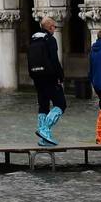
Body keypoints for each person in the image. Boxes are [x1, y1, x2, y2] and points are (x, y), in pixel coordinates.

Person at [28, 16, 65, 146]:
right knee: (61, 104)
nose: (55, 28)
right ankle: (44, 130)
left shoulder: (33, 39)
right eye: (54, 26)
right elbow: (54, 60)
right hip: (50, 77)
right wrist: (60, 76)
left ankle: (43, 139)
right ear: (50, 27)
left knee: (43, 105)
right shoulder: (50, 40)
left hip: (37, 76)